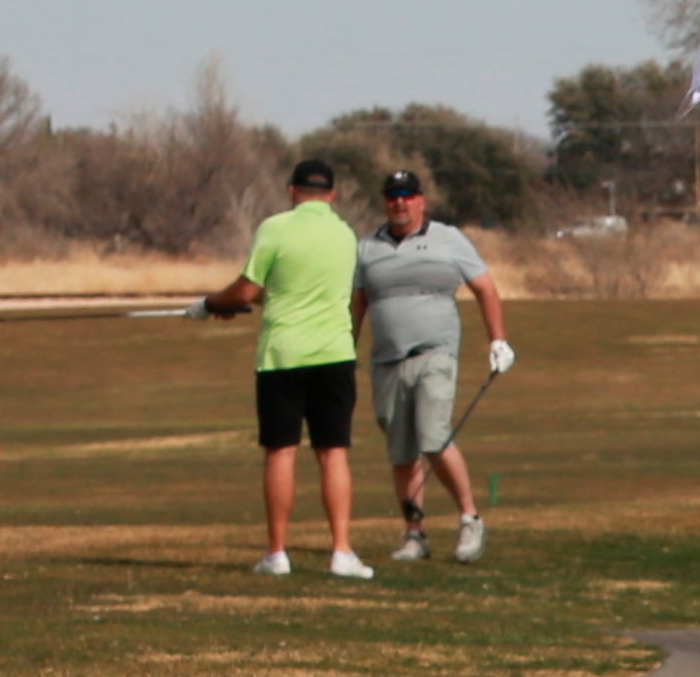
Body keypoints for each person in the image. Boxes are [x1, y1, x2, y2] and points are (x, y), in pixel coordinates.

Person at [210, 156, 373, 578]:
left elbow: (246, 291)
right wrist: (238, 301)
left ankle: (277, 553)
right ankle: (341, 552)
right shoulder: (345, 235)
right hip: (334, 353)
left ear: (292, 191)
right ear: (332, 194)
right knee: (333, 452)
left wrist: (213, 303)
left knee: (281, 450)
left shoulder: (275, 228)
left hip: (282, 356)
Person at [352, 166, 517, 562]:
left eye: (408, 196)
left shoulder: (449, 239)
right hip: (387, 361)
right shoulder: (367, 248)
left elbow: (484, 287)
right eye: (393, 197)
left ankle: (469, 519)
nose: (400, 204)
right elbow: (357, 305)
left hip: (435, 353)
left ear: (421, 201)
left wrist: (497, 339)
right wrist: (344, 353)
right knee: (401, 452)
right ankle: (415, 534)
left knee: (434, 436)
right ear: (385, 203)